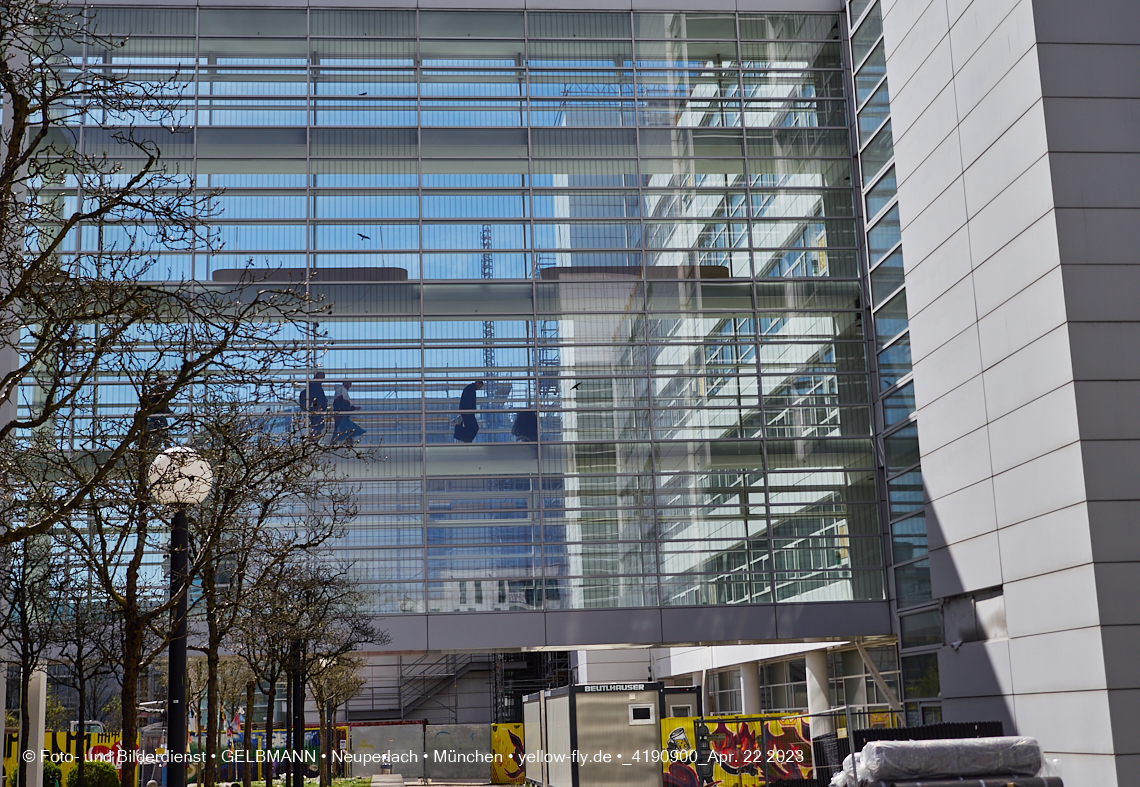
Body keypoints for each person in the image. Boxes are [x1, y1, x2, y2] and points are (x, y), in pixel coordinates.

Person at [141, 378, 174, 449]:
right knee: (161, 428)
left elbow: (163, 406)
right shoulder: (158, 393)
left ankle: (160, 443)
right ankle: (165, 443)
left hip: (155, 415)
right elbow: (162, 406)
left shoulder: (156, 393)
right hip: (156, 415)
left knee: (157, 429)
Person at [299, 371, 328, 436]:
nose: (323, 379)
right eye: (322, 377)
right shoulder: (316, 386)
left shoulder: (314, 385)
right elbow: (318, 397)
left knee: (317, 425)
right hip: (314, 410)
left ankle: (313, 437)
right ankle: (313, 438)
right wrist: (319, 407)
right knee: (318, 424)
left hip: (313, 409)